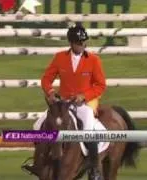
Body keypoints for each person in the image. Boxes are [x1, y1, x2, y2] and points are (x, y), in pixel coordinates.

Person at [24, 24, 106, 179]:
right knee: (37, 126)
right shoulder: (60, 57)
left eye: (84, 42)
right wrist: (50, 92)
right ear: (71, 42)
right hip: (62, 104)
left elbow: (101, 85)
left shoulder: (94, 60)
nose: (83, 45)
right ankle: (38, 164)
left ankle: (94, 169)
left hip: (83, 104)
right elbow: (46, 79)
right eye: (79, 42)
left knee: (88, 128)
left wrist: (84, 96)